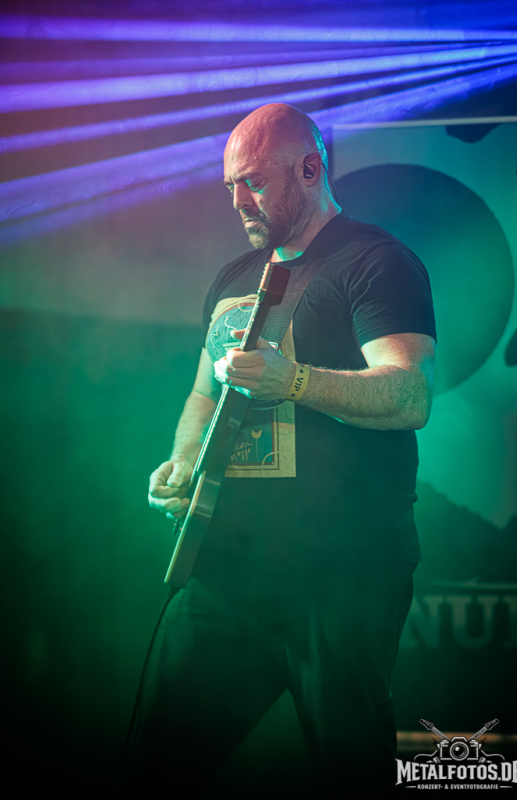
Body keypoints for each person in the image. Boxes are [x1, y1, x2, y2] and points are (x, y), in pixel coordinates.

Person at [119, 103, 436, 796]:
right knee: (153, 767)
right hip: (230, 568)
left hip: (342, 573)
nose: (238, 201)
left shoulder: (376, 261)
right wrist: (184, 463)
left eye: (254, 182)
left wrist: (292, 380)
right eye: (231, 185)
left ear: (310, 169)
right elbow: (203, 394)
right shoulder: (234, 278)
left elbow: (409, 396)